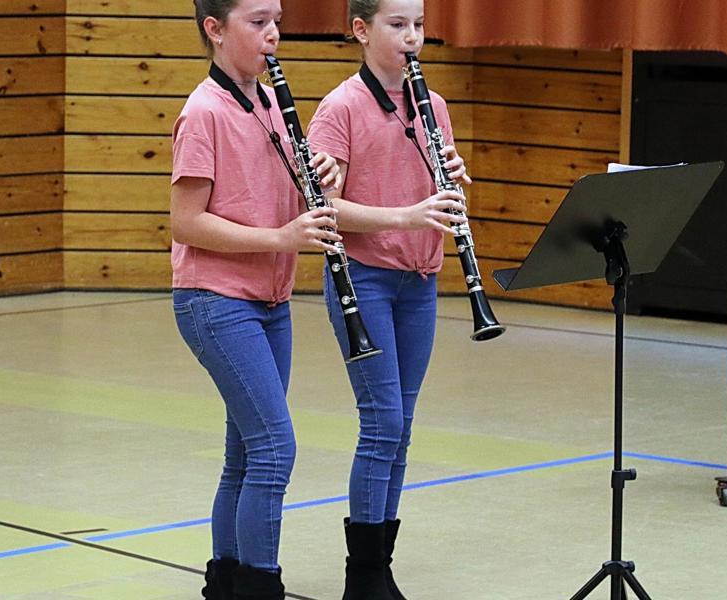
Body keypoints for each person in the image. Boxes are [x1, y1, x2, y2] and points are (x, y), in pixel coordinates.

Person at [171, 1, 343, 598]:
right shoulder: (204, 113)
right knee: (275, 448)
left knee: (245, 452)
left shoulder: (270, 103)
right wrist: (281, 238)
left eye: (276, 20)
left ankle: (224, 585)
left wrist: (323, 179)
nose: (273, 34)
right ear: (214, 29)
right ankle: (259, 587)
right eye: (257, 22)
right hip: (213, 299)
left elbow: (284, 199)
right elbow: (185, 223)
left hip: (269, 299)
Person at [307, 0, 471, 597]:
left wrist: (452, 188)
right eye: (397, 25)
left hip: (419, 281)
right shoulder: (340, 108)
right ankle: (364, 577)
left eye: (419, 26)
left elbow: (442, 196)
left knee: (401, 429)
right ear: (361, 30)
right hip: (364, 277)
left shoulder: (435, 107)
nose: (412, 38)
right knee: (383, 423)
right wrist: (409, 214)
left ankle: (381, 566)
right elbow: (324, 207)